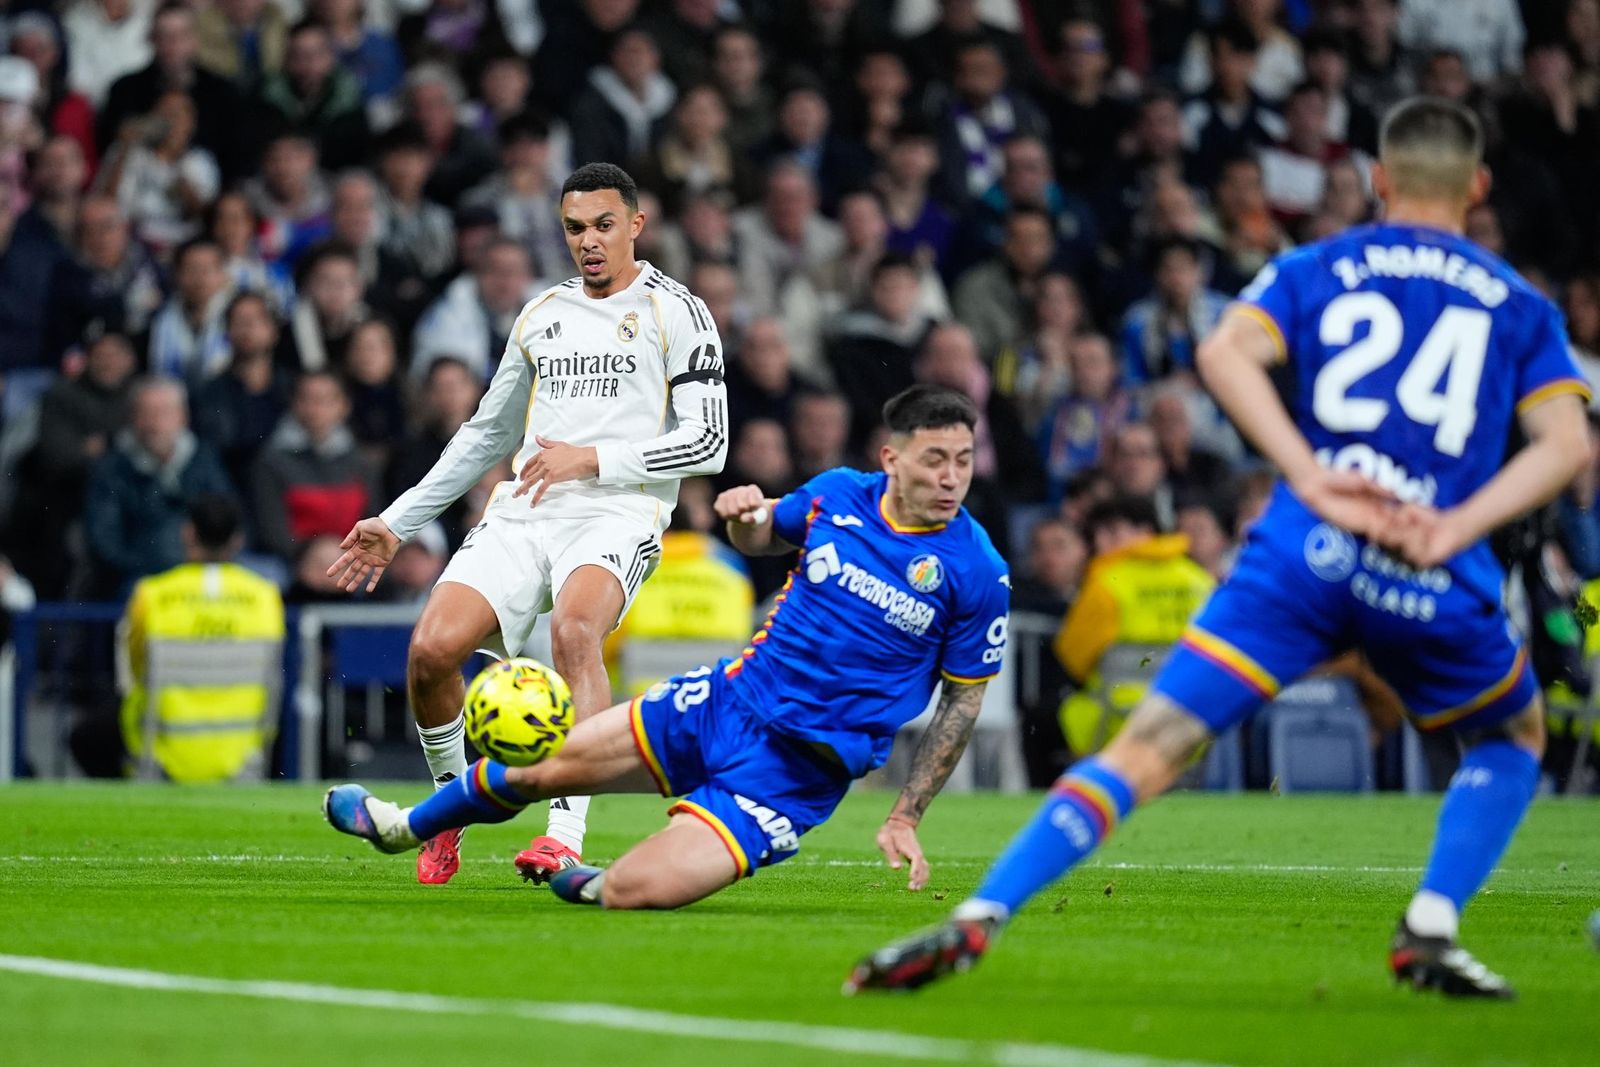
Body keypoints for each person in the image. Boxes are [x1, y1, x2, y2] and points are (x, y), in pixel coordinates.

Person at [848, 97, 1592, 999]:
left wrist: (1310, 475)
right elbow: (1567, 444)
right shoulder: (1520, 304)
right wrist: (1453, 527)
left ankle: (983, 912)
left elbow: (1224, 354)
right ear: (1477, 187)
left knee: (1150, 747)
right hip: (1428, 568)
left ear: (1378, 180)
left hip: (1305, 552)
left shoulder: (1319, 263)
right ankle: (1431, 922)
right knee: (1511, 734)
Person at [324, 385, 1011, 912]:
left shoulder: (978, 571)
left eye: (963, 460)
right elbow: (761, 537)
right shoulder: (838, 495)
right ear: (893, 458)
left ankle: (606, 879)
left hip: (797, 771)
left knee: (635, 892)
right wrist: (744, 519)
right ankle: (402, 827)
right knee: (543, 767)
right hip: (725, 701)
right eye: (935, 459)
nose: (951, 477)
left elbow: (963, 701)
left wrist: (906, 813)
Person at [323, 163, 728, 885]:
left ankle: (563, 836)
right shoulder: (542, 313)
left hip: (619, 510)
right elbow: (487, 433)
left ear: (636, 225)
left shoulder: (679, 310)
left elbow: (710, 442)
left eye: (604, 225)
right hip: (527, 508)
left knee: (575, 632)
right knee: (431, 651)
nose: (589, 241)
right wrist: (397, 521)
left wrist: (590, 459)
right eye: (574, 228)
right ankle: (447, 814)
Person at [118, 493, 284, 782]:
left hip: (160, 756)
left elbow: (133, 672)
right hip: (242, 759)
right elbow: (273, 677)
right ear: (237, 539)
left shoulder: (151, 595)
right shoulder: (265, 596)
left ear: (188, 532)